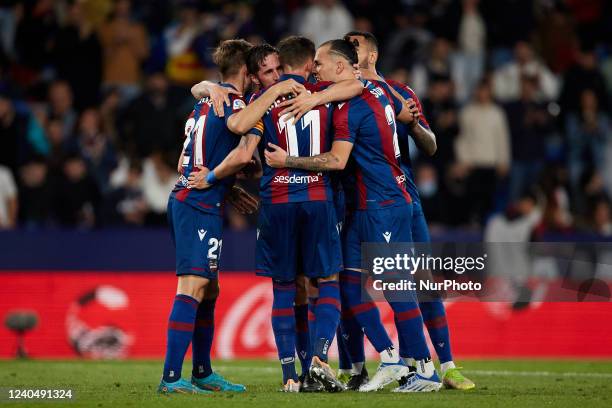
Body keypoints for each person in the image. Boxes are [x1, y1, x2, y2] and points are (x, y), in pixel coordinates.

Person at [188, 36, 364, 392]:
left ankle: (290, 375)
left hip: (278, 203)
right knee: (326, 281)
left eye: (276, 68)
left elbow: (242, 135)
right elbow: (357, 84)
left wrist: (212, 175)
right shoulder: (322, 92)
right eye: (266, 71)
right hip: (317, 198)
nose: (274, 75)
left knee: (285, 288)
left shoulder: (257, 102)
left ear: (284, 66)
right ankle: (316, 359)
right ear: (307, 65)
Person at [265, 39, 441, 393]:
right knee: (346, 283)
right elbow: (367, 86)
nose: (315, 68)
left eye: (320, 63)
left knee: (396, 285)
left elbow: (336, 160)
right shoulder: (380, 90)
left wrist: (287, 161)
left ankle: (426, 370)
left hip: (384, 203)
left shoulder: (350, 108)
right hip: (364, 206)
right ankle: (390, 358)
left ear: (341, 68)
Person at [158, 38, 303, 395]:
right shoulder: (238, 104)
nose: (263, 78)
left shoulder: (205, 101)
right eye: (260, 73)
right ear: (247, 73)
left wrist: (227, 187)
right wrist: (212, 180)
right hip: (198, 204)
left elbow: (183, 162)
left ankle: (203, 372)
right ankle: (171, 378)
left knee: (210, 289)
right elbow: (239, 147)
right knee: (192, 286)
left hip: (191, 199)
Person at [342, 30, 475, 391]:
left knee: (420, 282)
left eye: (356, 46)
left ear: (373, 54)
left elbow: (430, 146)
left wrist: (412, 122)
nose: (350, 52)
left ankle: (444, 366)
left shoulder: (401, 93)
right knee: (351, 283)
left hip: (401, 199)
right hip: (357, 201)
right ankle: (359, 366)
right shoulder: (340, 93)